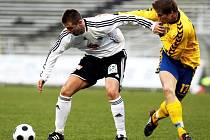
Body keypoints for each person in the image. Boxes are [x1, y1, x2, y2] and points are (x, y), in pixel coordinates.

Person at [37, 9, 164, 140]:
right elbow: (54, 53)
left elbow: (128, 18)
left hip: (114, 55)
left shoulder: (101, 23)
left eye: (70, 27)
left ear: (80, 22)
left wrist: (152, 25)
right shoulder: (67, 37)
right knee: (65, 91)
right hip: (92, 59)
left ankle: (121, 135)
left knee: (112, 92)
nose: (68, 31)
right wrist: (44, 76)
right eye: (66, 28)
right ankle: (58, 133)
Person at [117, 0, 200, 139]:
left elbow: (174, 52)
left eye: (161, 16)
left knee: (172, 103)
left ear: (172, 14)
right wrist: (117, 15)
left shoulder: (183, 30)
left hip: (187, 64)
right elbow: (143, 14)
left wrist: (161, 34)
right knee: (168, 90)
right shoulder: (165, 12)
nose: (158, 18)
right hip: (169, 61)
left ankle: (154, 118)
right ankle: (182, 132)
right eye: (158, 15)